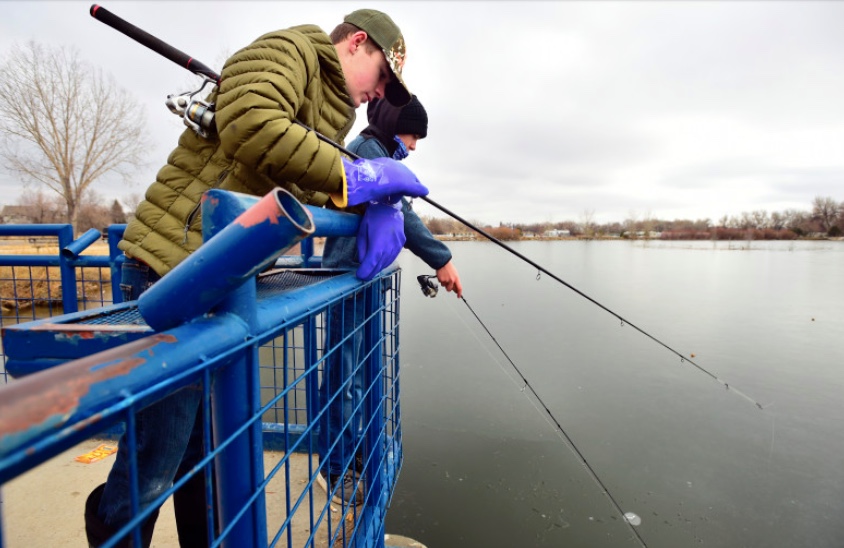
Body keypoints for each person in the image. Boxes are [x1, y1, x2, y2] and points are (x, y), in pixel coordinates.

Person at [85, 8, 427, 547]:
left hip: (218, 279)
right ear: (357, 44)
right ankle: (111, 525)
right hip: (170, 269)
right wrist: (353, 174)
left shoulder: (330, 108)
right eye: (381, 77)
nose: (378, 95)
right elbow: (252, 126)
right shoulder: (289, 51)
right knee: (158, 457)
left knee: (202, 457)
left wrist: (369, 202)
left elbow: (300, 182)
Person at [317, 94, 462, 506]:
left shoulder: (382, 155)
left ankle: (355, 455)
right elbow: (406, 215)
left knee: (359, 377)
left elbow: (396, 210)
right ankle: (337, 468)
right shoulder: (365, 150)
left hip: (363, 280)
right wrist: (442, 259)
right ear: (393, 125)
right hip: (346, 278)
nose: (414, 145)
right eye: (412, 134)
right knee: (343, 381)